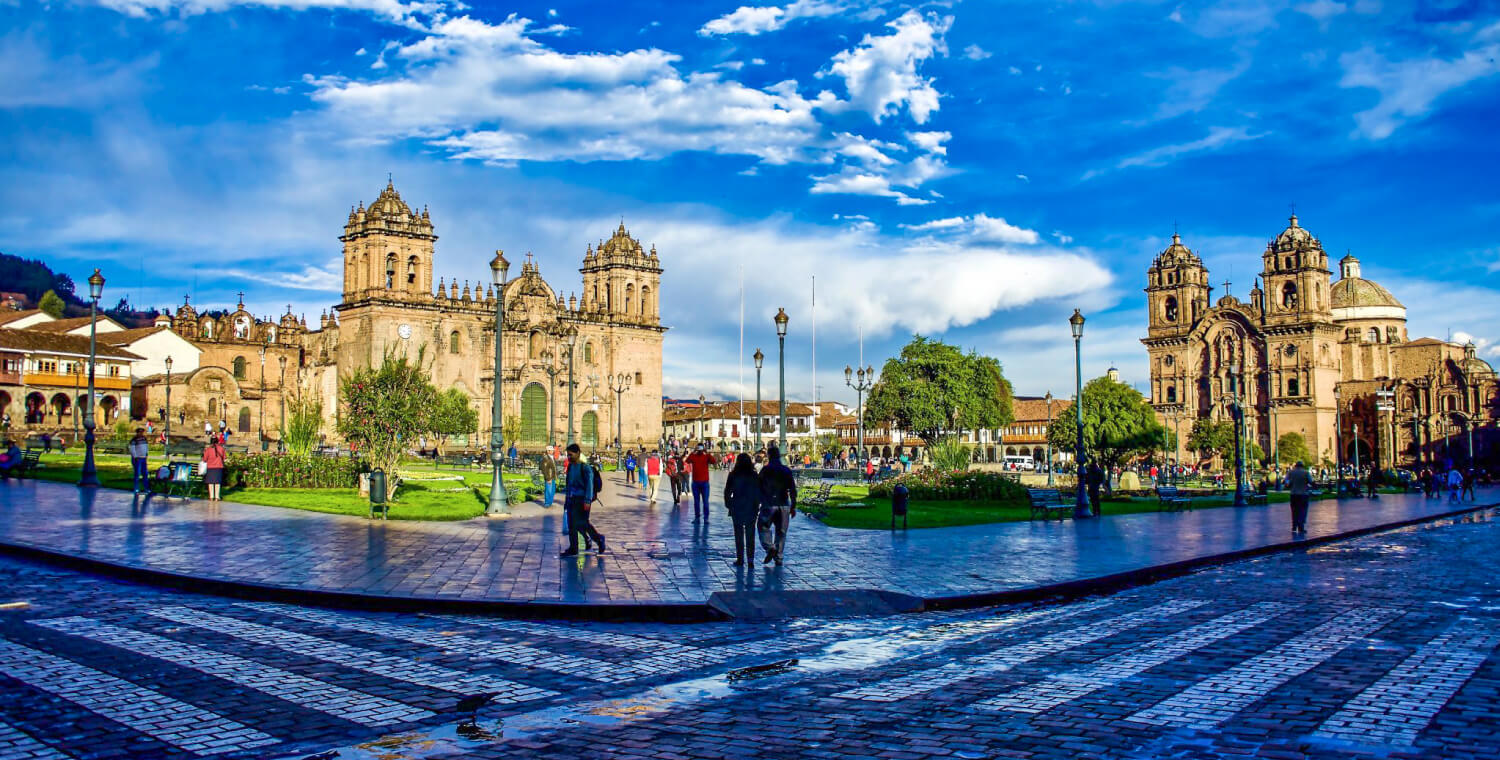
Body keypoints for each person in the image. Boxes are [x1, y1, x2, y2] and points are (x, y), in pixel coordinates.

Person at [559, 443, 605, 557]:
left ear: (578, 453)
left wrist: (588, 501)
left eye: (571, 455)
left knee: (582, 523)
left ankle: (599, 539)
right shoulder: (570, 467)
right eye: (568, 455)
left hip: (582, 499)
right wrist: (566, 500)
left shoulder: (585, 468)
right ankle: (573, 548)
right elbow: (568, 484)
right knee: (571, 524)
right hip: (572, 498)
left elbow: (589, 485)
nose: (569, 457)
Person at [757, 445, 797, 565]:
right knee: (781, 531)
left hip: (769, 503)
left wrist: (758, 502)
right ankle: (779, 557)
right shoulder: (786, 470)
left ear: (769, 456)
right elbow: (793, 489)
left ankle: (770, 548)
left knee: (763, 526)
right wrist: (793, 505)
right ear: (779, 455)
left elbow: (758, 487)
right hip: (784, 504)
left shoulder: (765, 470)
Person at [723, 453, 762, 566]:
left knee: (738, 533)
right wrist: (757, 504)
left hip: (737, 506)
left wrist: (729, 504)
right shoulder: (754, 475)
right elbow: (758, 491)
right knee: (751, 533)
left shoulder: (733, 475)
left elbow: (727, 492)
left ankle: (740, 559)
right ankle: (750, 560)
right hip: (751, 506)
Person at [686, 444, 713, 521]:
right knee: (697, 502)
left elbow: (713, 461)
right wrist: (693, 452)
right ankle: (697, 517)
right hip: (696, 483)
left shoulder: (706, 456)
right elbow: (687, 461)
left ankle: (706, 518)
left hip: (704, 483)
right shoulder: (694, 456)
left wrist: (707, 452)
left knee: (705, 501)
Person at [1286, 460, 1312, 534]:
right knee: (1302, 511)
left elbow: (1286, 482)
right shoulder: (1306, 472)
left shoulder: (1290, 472)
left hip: (1293, 494)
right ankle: (1301, 527)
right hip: (1303, 494)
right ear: (1302, 466)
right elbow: (1311, 481)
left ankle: (1294, 527)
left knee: (1294, 511)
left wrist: (1289, 485)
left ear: (1296, 466)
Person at [202, 434, 227, 501]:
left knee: (210, 482)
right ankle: (217, 497)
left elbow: (204, 459)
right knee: (217, 482)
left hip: (210, 467)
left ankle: (211, 496)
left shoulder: (208, 449)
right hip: (219, 467)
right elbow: (224, 457)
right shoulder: (221, 448)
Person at [128, 427, 150, 494]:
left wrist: (146, 453)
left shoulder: (144, 439)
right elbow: (132, 449)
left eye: (142, 432)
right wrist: (135, 456)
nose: (141, 433)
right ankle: (136, 488)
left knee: (145, 473)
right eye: (139, 432)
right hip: (137, 458)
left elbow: (146, 447)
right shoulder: (134, 440)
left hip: (143, 458)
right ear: (137, 433)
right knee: (137, 474)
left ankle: (146, 488)